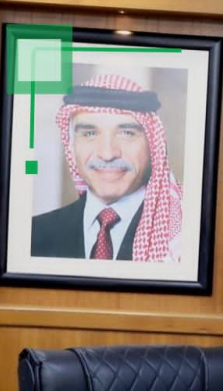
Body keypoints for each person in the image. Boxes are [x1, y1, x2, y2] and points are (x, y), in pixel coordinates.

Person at [31, 74, 182, 262]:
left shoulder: (182, 236)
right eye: (89, 133)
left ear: (153, 145)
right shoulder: (35, 233)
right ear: (71, 145)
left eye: (127, 133)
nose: (107, 154)